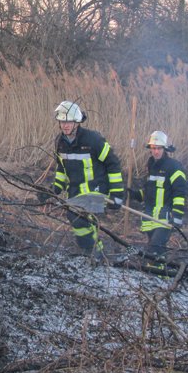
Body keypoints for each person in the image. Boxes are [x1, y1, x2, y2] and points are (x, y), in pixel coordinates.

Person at [39, 101, 125, 259]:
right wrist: (54, 189)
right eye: (62, 122)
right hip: (75, 192)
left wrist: (117, 193)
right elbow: (62, 169)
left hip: (96, 190)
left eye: (69, 122)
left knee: (78, 218)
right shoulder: (60, 143)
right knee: (81, 222)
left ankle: (91, 253)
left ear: (77, 122)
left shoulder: (93, 140)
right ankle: (97, 253)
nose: (65, 125)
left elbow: (113, 163)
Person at [129, 131, 187, 260]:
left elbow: (179, 193)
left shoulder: (174, 167)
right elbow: (150, 192)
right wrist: (134, 195)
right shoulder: (151, 165)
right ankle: (155, 268)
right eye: (153, 148)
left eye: (159, 148)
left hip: (165, 217)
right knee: (153, 249)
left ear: (165, 148)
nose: (156, 152)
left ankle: (158, 270)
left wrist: (177, 215)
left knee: (155, 248)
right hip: (150, 216)